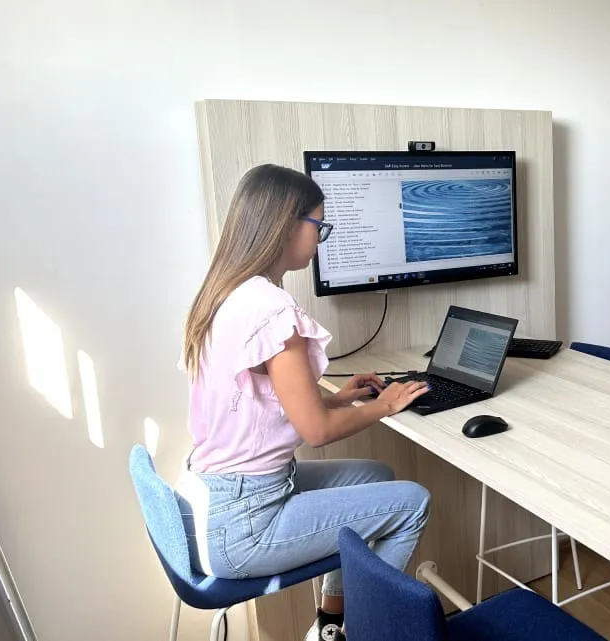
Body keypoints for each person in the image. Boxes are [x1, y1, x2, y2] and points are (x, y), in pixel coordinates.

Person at [176, 164, 431, 641]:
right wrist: (386, 405)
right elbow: (314, 432)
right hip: (245, 522)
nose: (321, 239)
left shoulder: (225, 295)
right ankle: (362, 630)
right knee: (413, 502)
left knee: (375, 476)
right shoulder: (271, 309)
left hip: (214, 497)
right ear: (285, 225)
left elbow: (261, 400)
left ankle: (331, 622)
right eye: (319, 225)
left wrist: (343, 398)